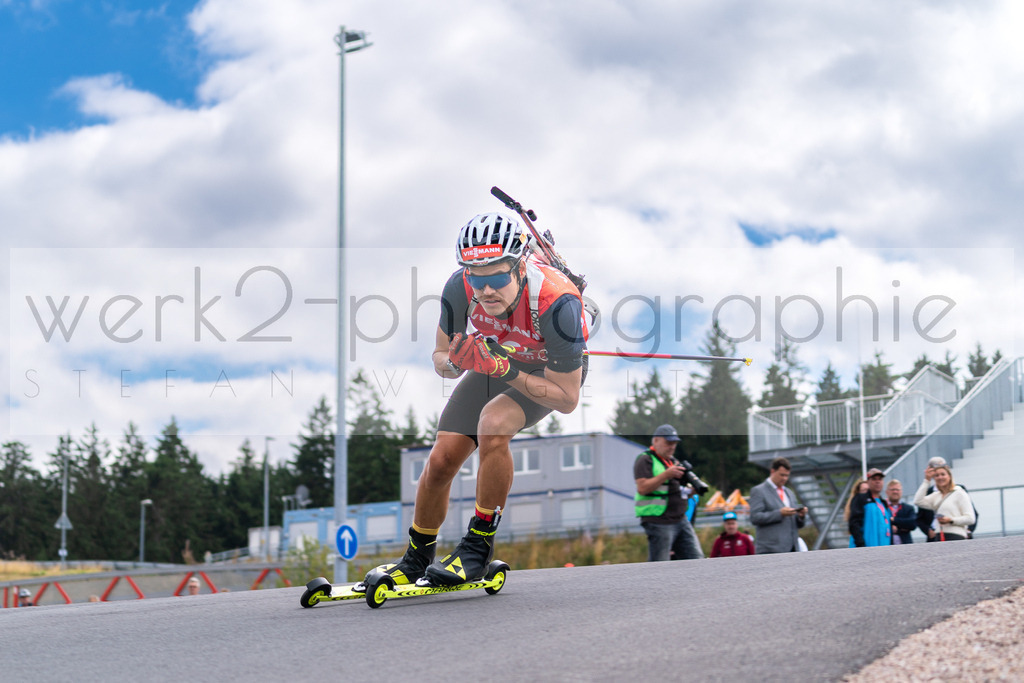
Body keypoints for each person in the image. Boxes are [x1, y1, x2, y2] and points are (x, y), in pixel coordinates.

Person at [363, 211, 588, 587]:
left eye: (498, 278)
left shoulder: (558, 302)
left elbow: (567, 399)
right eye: (476, 278)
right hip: (496, 362)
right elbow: (439, 357)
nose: (486, 291)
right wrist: (454, 362)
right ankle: (416, 557)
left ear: (518, 267)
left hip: (547, 375)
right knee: (441, 460)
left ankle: (477, 547)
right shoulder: (459, 287)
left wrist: (506, 371)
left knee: (493, 424)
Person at [633, 424, 704, 561]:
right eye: (668, 443)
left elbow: (675, 491)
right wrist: (666, 474)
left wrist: (691, 491)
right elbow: (642, 488)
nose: (672, 447)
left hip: (680, 519)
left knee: (697, 560)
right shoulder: (645, 459)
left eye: (674, 443)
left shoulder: (672, 461)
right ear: (656, 441)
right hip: (658, 521)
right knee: (660, 565)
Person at [749, 457, 806, 554]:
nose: (784, 478)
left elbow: (797, 524)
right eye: (782, 475)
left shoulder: (789, 492)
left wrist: (801, 516)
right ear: (772, 471)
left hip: (792, 549)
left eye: (787, 476)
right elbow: (755, 518)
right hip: (770, 550)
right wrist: (780, 513)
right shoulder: (758, 491)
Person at [916, 457, 979, 540]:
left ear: (949, 475)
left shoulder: (959, 491)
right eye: (936, 474)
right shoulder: (934, 494)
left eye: (943, 474)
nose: (940, 477)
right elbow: (918, 501)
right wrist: (926, 480)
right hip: (938, 536)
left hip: (956, 536)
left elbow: (971, 518)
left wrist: (951, 520)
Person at [848, 468, 892, 547]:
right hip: (866, 549)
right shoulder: (861, 499)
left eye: (880, 479)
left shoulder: (883, 503)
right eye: (874, 479)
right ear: (868, 481)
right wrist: (860, 544)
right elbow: (854, 523)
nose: (877, 481)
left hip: (884, 549)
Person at [885, 479, 917, 545]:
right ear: (887, 492)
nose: (895, 492)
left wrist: (894, 520)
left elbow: (913, 524)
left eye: (897, 490)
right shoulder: (883, 507)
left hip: (906, 545)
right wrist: (903, 527)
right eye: (892, 490)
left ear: (901, 491)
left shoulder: (908, 508)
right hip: (887, 545)